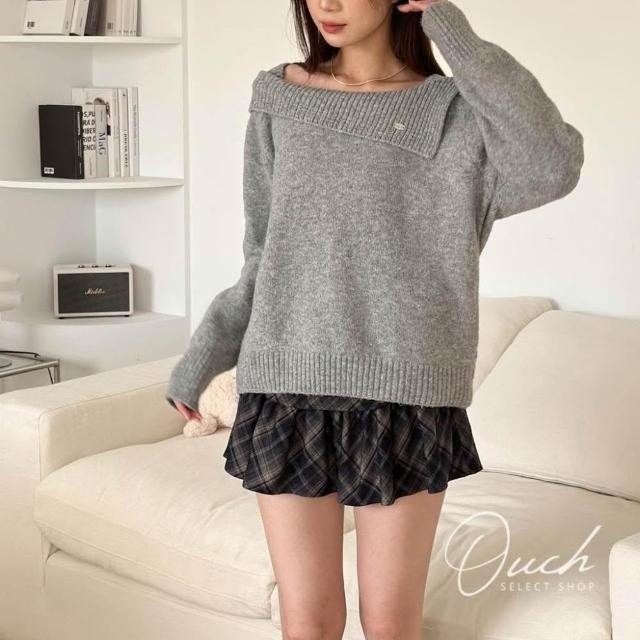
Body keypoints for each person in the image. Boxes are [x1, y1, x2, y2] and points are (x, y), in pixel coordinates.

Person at [166, 0, 585, 637]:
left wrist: (449, 25)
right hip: (287, 389)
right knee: (308, 623)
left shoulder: (458, 114)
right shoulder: (280, 97)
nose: (326, 4)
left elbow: (552, 165)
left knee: (390, 624)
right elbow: (264, 252)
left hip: (407, 394)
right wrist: (206, 353)